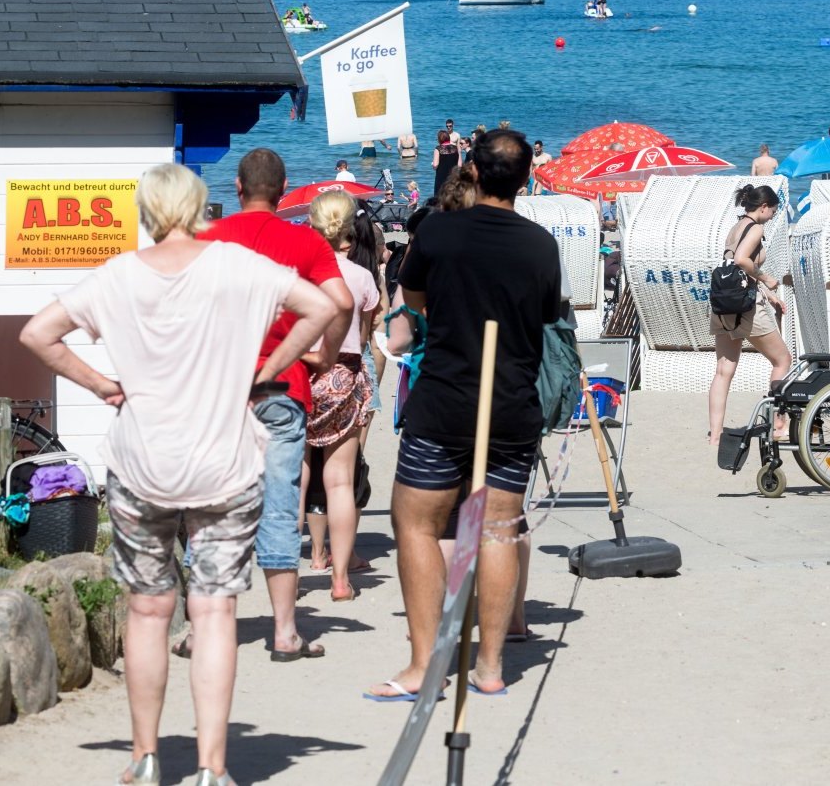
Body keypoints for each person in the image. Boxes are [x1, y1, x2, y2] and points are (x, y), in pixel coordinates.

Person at [20, 163, 337, 786]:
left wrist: (105, 386)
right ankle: (213, 768)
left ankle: (144, 757)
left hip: (142, 464)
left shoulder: (117, 277)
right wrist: (267, 367)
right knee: (215, 611)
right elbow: (323, 305)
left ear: (145, 210)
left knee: (147, 611)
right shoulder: (236, 265)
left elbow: (38, 333)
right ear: (198, 207)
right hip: (223, 460)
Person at [367, 129, 560, 701]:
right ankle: (491, 664)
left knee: (417, 525)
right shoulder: (539, 245)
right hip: (510, 403)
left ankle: (425, 663)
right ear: (526, 180)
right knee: (499, 528)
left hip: (445, 399)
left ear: (470, 170)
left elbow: (416, 303)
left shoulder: (439, 230)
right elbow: (546, 316)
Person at [195, 148, 354, 666]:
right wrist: (322, 356)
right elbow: (342, 302)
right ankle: (285, 632)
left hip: (221, 389)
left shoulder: (209, 241)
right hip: (285, 386)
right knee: (281, 505)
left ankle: (203, 631)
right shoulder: (304, 241)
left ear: (237, 189)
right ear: (283, 191)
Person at [301, 192, 379, 602]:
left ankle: (290, 577)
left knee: (297, 480)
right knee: (339, 482)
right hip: (344, 375)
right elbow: (364, 336)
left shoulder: (298, 274)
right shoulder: (362, 278)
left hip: (300, 373)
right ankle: (341, 580)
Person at [708, 184, 791, 445]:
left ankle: (715, 435)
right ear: (763, 207)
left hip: (723, 303)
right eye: (773, 211)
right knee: (782, 360)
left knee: (724, 370)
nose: (773, 216)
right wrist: (767, 280)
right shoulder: (756, 228)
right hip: (747, 309)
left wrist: (768, 295)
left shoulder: (736, 227)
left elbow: (736, 271)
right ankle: (778, 424)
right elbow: (742, 261)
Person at [432, 129, 461, 197]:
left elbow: (435, 165)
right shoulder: (456, 148)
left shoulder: (438, 149)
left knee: (440, 196)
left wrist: (433, 165)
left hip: (441, 176)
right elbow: (459, 165)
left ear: (440, 139)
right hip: (453, 176)